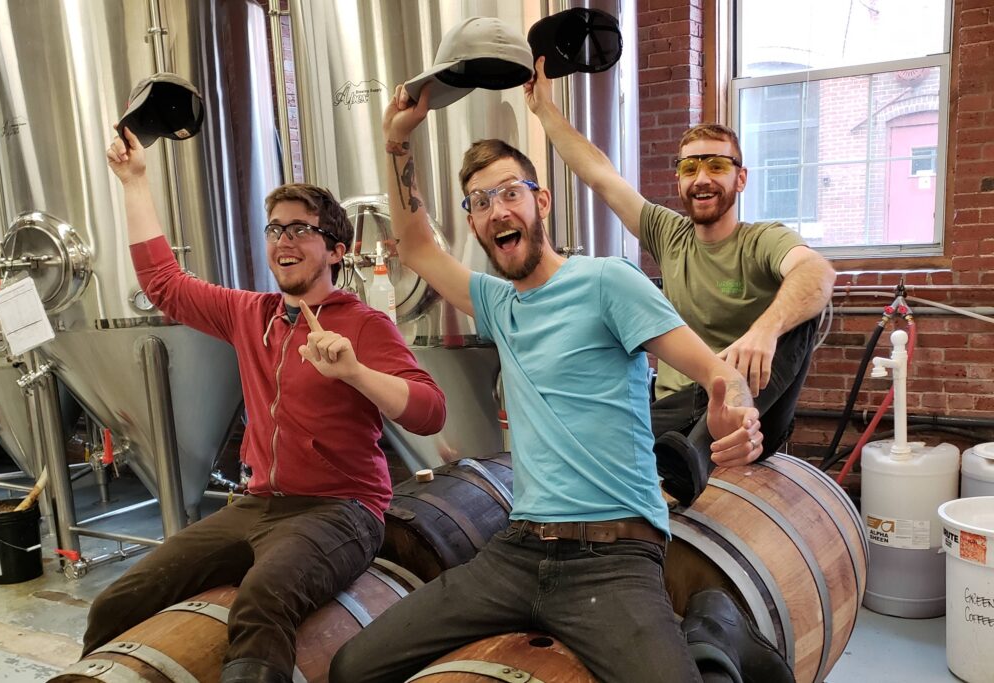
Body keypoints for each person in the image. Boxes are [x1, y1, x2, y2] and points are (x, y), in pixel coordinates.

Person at [328, 79, 792, 683]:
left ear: (540, 202)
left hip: (615, 556)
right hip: (516, 552)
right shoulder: (496, 304)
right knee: (351, 667)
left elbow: (715, 370)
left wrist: (733, 402)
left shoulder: (607, 282)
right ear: (473, 223)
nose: (497, 210)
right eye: (479, 201)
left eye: (509, 193)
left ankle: (713, 622)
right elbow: (415, 247)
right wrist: (397, 138)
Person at [81, 128, 447, 683]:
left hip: (342, 508)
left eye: (302, 229)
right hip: (256, 506)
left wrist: (354, 370)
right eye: (276, 228)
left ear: (336, 250)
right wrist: (135, 181)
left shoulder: (365, 324)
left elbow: (430, 411)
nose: (285, 240)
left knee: (262, 600)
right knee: (116, 601)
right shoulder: (251, 314)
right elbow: (164, 283)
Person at [525, 58, 836, 506]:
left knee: (803, 314)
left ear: (740, 178)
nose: (702, 178)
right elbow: (600, 175)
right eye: (690, 168)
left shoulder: (763, 240)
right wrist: (544, 110)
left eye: (715, 165)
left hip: (753, 413)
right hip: (676, 408)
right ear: (679, 178)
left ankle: (691, 459)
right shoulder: (670, 234)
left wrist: (764, 331)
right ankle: (675, 455)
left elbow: (818, 273)